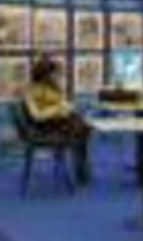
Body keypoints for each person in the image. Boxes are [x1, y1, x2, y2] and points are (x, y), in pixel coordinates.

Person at [24, 54, 93, 185]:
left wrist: (66, 107)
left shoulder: (54, 87)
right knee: (81, 130)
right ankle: (81, 168)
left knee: (81, 127)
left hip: (59, 122)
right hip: (45, 127)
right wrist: (56, 109)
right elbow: (37, 115)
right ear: (46, 75)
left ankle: (81, 167)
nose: (58, 77)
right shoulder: (32, 91)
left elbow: (61, 103)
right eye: (55, 74)